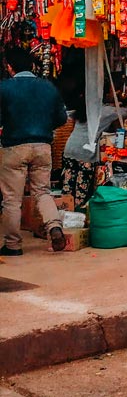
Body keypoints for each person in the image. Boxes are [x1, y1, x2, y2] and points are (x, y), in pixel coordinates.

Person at [0, 45, 68, 254]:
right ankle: (54, 226)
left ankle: (13, 245)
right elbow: (62, 118)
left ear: (9, 67)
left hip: (14, 146)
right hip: (43, 146)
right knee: (42, 192)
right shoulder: (48, 87)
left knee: (12, 199)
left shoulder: (4, 88)